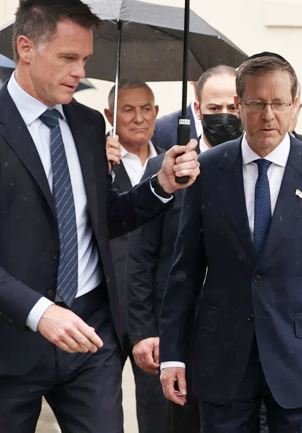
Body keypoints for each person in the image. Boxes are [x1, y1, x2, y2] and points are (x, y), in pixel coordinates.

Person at [0, 1, 199, 433]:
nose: (79, 72)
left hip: (92, 339)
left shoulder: (88, 125)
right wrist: (39, 311)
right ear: (25, 48)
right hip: (9, 343)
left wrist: (161, 185)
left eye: (85, 60)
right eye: (68, 58)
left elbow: (106, 217)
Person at [158, 55, 302, 433]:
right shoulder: (209, 170)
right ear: (239, 105)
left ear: (295, 106)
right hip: (222, 355)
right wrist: (172, 354)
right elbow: (184, 271)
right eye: (256, 103)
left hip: (301, 357)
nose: (268, 115)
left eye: (279, 103)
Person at [127, 64, 242, 433]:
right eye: (214, 108)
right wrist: (144, 331)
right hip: (172, 331)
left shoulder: (256, 169)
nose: (224, 116)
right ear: (196, 109)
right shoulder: (164, 167)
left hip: (236, 334)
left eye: (232, 107)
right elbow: (140, 256)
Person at [103, 80, 172, 433]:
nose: (138, 118)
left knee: (158, 411)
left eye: (146, 109)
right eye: (128, 110)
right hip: (105, 309)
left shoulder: (172, 164)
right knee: (100, 412)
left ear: (156, 113)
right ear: (110, 115)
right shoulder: (99, 160)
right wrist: (99, 167)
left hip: (153, 311)